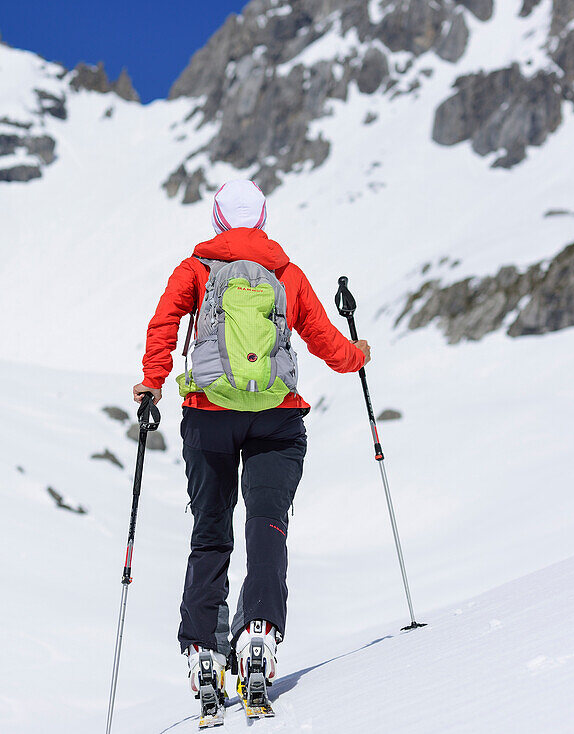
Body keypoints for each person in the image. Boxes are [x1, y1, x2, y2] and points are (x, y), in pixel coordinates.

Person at [132, 180, 370, 709]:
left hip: (207, 417)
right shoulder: (285, 274)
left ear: (218, 220)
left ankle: (203, 653)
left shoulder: (196, 269)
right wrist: (358, 355)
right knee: (267, 524)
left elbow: (164, 324)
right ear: (262, 220)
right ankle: (259, 632)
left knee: (210, 534)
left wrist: (152, 381)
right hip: (276, 419)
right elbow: (326, 343)